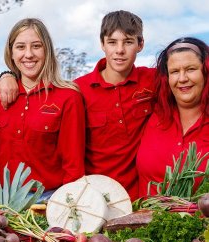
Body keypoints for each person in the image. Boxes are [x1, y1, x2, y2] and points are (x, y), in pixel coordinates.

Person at [0, 18, 85, 198]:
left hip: (46, 199)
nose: (28, 54)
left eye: (36, 46)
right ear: (10, 53)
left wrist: (69, 204)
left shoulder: (68, 98)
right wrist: (5, 75)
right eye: (20, 47)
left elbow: (73, 164)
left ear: (47, 50)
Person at [74, 10, 156, 202]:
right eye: (112, 42)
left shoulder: (153, 80)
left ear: (140, 44)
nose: (119, 50)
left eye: (128, 42)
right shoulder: (78, 90)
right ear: (102, 44)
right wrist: (7, 75)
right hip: (97, 198)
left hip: (142, 197)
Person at [137, 37, 209, 197]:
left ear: (205, 71)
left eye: (190, 69)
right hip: (144, 219)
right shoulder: (152, 115)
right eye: (175, 71)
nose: (182, 78)